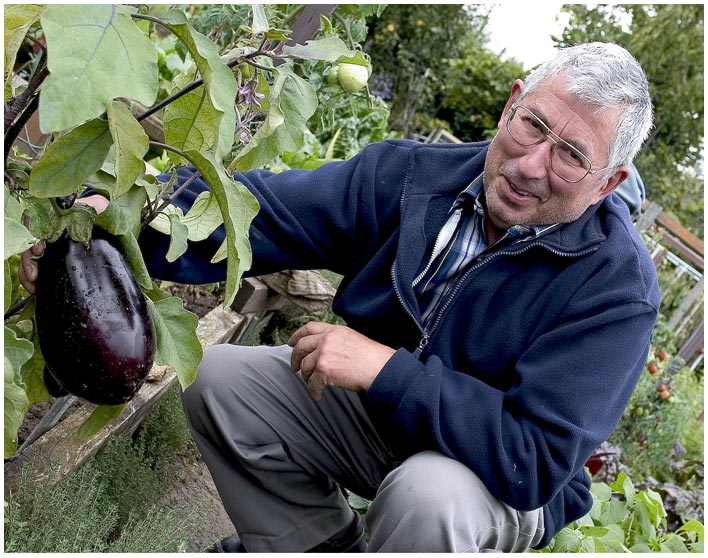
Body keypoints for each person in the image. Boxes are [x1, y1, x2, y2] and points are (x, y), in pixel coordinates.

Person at [20, 42, 659, 553]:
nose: (531, 164)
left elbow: (535, 460)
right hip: (376, 417)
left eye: (571, 155)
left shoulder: (616, 289)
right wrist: (114, 220)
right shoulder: (414, 176)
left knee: (426, 500)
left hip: (491, 484)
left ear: (610, 182)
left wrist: (386, 371)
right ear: (511, 105)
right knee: (218, 380)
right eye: (534, 126)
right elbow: (263, 215)